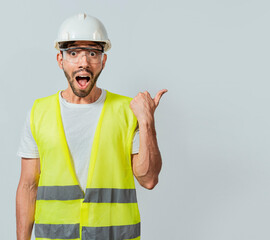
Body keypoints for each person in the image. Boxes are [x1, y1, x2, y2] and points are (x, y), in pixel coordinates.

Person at [16, 13, 167, 240]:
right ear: (61, 60)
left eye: (93, 53)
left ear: (103, 61)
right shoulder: (39, 112)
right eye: (74, 53)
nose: (83, 62)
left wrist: (147, 122)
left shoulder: (127, 111)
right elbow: (28, 186)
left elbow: (148, 179)